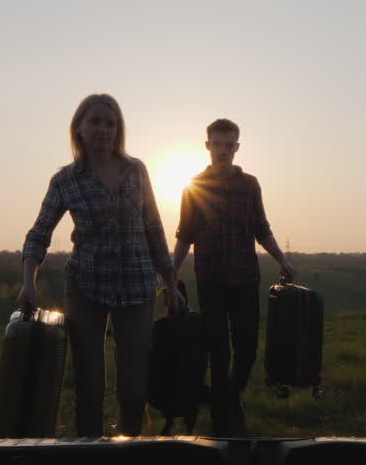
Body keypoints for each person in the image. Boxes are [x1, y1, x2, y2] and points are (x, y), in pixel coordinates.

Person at [17, 94, 184, 437]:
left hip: (138, 286)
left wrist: (169, 281)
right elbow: (40, 233)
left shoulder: (136, 170)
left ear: (118, 130)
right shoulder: (65, 180)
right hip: (86, 286)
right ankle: (90, 454)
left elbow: (153, 227)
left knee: (134, 389)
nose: (103, 130)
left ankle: (127, 449)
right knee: (90, 387)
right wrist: (28, 282)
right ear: (78, 128)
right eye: (94, 122)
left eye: (110, 123)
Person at [172, 118, 294, 436]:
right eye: (217, 143)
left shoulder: (250, 185)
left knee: (247, 348)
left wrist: (282, 259)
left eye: (229, 145)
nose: (223, 150)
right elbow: (185, 234)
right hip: (210, 279)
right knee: (218, 349)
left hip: (244, 278)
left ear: (237, 147)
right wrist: (170, 273)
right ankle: (222, 416)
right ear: (207, 145)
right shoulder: (193, 186)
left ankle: (230, 395)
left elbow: (261, 229)